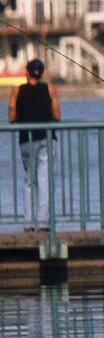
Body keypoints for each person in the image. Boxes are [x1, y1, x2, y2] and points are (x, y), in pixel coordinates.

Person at [8, 58, 60, 232]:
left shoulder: (17, 90)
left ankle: (29, 223)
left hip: (27, 139)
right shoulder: (50, 88)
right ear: (43, 73)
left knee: (30, 181)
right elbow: (57, 116)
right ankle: (43, 223)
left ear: (26, 72)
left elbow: (12, 116)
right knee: (45, 180)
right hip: (47, 138)